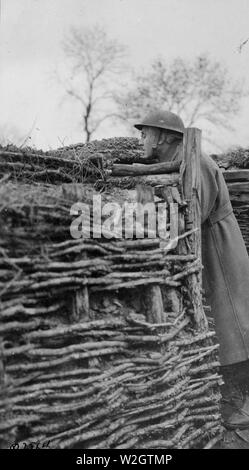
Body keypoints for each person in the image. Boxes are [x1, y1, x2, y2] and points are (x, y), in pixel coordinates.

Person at [134, 110, 249, 429]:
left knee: (232, 326)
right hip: (210, 243)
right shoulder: (186, 159)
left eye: (146, 134)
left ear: (163, 137)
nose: (142, 140)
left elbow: (191, 214)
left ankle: (238, 406)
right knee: (227, 324)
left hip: (217, 247)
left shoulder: (195, 161)